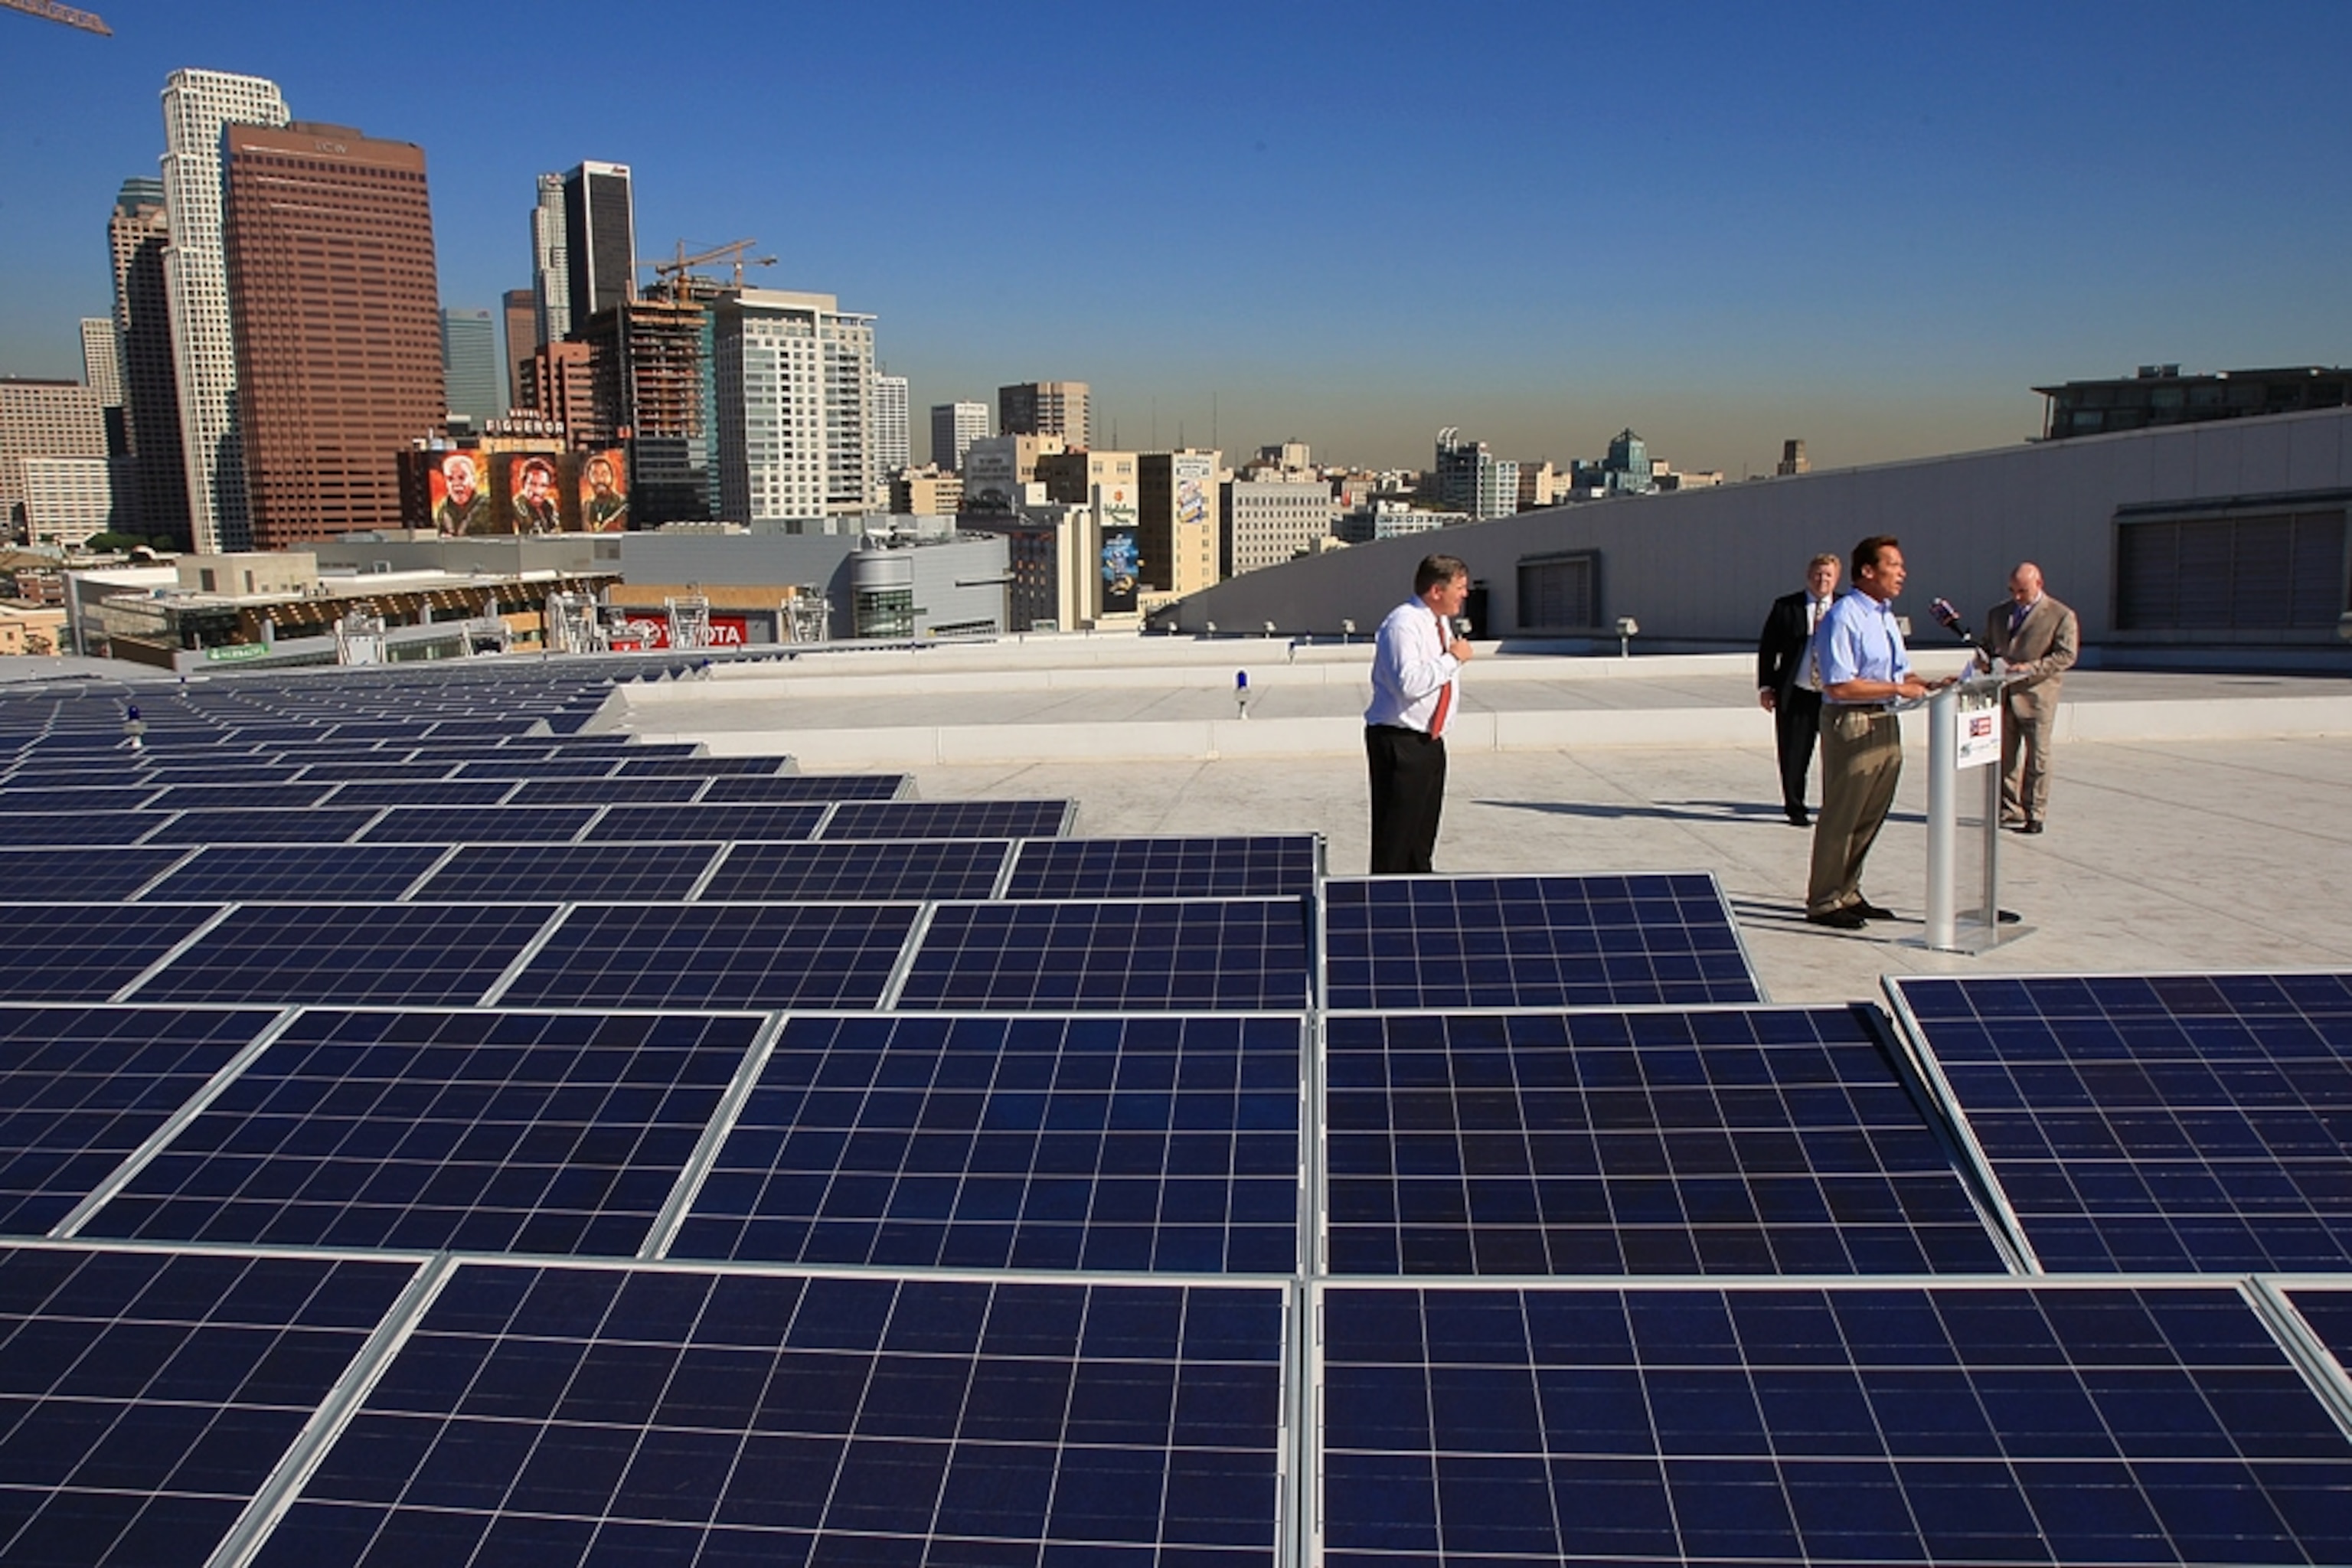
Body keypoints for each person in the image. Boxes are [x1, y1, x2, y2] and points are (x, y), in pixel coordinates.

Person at [1805, 534, 1950, 929]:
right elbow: (1839, 684)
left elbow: (1895, 674)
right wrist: (1899, 688)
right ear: (1868, 571)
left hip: (1885, 719)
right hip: (1853, 723)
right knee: (1843, 813)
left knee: (1870, 812)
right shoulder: (1844, 615)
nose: (1902, 573)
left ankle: (1848, 891)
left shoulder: (1884, 615)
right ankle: (1823, 900)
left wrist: (1934, 683)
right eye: (1894, 565)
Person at [1364, 553, 1474, 874]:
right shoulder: (1403, 625)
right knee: (1396, 837)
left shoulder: (1439, 622)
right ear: (1436, 591)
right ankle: (1389, 898)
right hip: (1400, 742)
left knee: (1420, 837)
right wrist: (1453, 660)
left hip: (1430, 740)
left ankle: (1418, 890)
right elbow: (1409, 684)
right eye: (1460, 587)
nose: (1465, 594)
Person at [1979, 560, 2078, 833]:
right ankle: (2009, 809)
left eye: (2022, 591)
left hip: (2037, 695)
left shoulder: (2060, 615)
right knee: (2006, 756)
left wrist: (2031, 669)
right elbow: (1987, 646)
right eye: (2012, 590)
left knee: (2038, 757)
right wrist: (1985, 663)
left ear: (2039, 584)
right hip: (2004, 692)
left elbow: (2065, 655)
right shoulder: (1998, 614)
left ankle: (2035, 812)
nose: (2017, 597)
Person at [1756, 552, 1841, 826]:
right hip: (1797, 692)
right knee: (1793, 754)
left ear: (1836, 578)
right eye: (1818, 574)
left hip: (1834, 696)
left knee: (1837, 755)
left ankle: (1835, 808)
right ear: (1808, 576)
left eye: (1828, 574)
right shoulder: (1786, 606)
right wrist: (1767, 686)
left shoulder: (1845, 607)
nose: (1822, 579)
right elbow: (1768, 648)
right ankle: (1795, 807)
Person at [432, 452, 494, 535]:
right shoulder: (443, 509)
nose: (456, 483)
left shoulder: (489, 504)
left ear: (474, 480)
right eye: (450, 479)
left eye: (461, 477)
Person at [511, 459, 560, 532]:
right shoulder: (515, 507)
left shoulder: (549, 506)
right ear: (523, 484)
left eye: (543, 485)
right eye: (533, 484)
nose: (537, 491)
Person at [583, 455, 629, 531]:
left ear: (612, 476)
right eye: (595, 474)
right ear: (588, 478)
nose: (600, 479)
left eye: (604, 474)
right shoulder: (587, 505)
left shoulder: (623, 503)